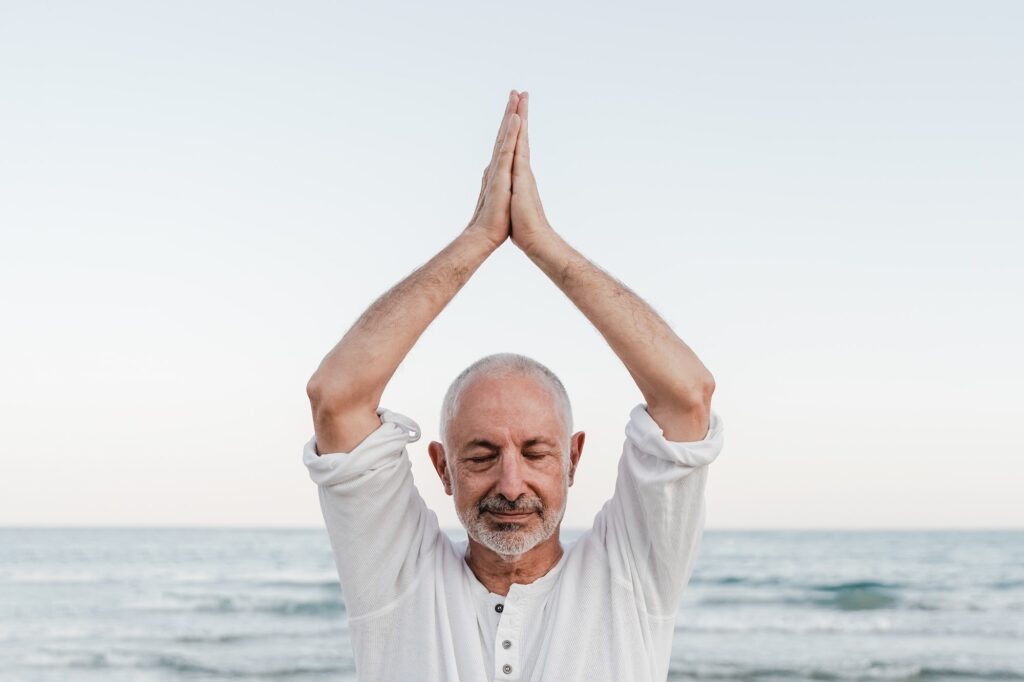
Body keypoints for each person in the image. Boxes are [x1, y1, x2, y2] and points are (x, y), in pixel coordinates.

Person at [303, 89, 724, 682]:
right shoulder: (397, 579)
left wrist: (540, 242)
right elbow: (337, 397)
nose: (510, 483)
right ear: (442, 467)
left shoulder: (629, 576)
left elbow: (687, 396)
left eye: (534, 452)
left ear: (573, 458)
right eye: (480, 455)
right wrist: (479, 236)